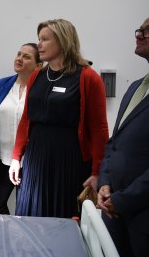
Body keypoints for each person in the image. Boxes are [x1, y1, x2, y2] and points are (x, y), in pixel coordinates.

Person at [8, 19, 109, 218]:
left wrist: (98, 172)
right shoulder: (37, 75)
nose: (39, 45)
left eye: (45, 39)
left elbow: (99, 129)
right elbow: (27, 119)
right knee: (32, 216)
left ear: (63, 42)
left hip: (68, 160)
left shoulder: (88, 77)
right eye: (39, 39)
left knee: (62, 217)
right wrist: (16, 157)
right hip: (36, 158)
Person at [97, 18, 149, 257]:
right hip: (114, 209)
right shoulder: (136, 88)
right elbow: (114, 143)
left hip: (142, 214)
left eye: (147, 30)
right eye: (139, 29)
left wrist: (123, 199)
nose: (139, 34)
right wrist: (104, 182)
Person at [0, 43, 42, 214]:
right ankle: (5, 234)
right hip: (2, 157)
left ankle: (20, 238)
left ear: (38, 65)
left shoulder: (41, 89)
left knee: (25, 208)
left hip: (30, 161)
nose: (19, 59)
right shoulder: (2, 85)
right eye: (19, 54)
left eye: (26, 57)